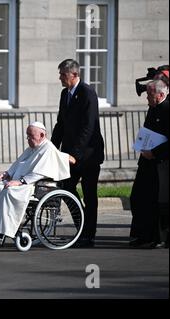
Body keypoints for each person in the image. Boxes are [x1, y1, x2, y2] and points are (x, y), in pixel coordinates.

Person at [0, 122, 74, 247]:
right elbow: (18, 164)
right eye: (27, 136)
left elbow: (41, 172)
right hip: (20, 183)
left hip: (32, 186)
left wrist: (20, 181)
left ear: (42, 135)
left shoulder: (48, 149)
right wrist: (6, 174)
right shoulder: (32, 148)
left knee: (8, 190)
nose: (28, 139)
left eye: (30, 136)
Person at [51, 58, 105, 248]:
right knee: (67, 188)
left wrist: (76, 153)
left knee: (90, 195)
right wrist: (50, 148)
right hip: (70, 155)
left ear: (74, 75)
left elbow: (88, 127)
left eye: (62, 75)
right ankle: (81, 227)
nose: (60, 78)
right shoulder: (65, 94)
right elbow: (61, 124)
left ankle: (89, 235)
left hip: (88, 155)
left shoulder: (87, 93)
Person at [130, 79, 169, 249]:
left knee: (157, 201)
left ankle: (157, 237)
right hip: (146, 160)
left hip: (160, 161)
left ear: (160, 95)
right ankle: (142, 235)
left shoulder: (167, 109)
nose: (147, 99)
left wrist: (154, 152)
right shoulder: (152, 109)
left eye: (149, 95)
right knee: (138, 197)